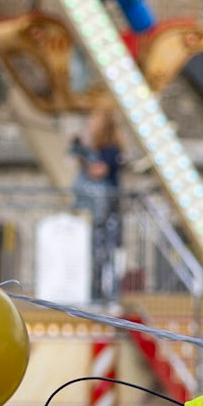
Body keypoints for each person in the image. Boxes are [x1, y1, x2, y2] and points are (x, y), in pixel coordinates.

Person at [69, 105, 122, 301]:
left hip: (108, 208)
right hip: (98, 207)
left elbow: (99, 171)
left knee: (105, 251)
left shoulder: (110, 149)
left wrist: (82, 155)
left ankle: (106, 294)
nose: (90, 123)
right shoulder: (98, 148)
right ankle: (96, 291)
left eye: (93, 120)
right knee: (95, 251)